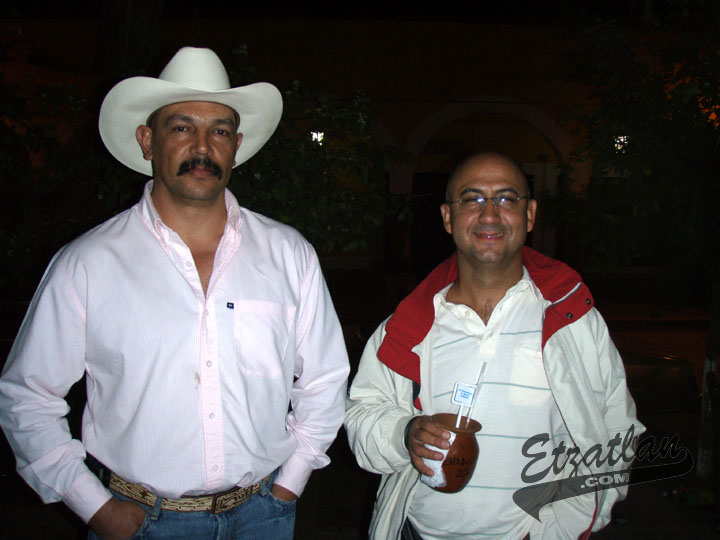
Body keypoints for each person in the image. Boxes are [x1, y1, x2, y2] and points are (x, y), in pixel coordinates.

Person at [0, 47, 349, 540]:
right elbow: (27, 396)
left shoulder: (289, 255)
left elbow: (325, 379)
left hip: (263, 515)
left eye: (219, 131)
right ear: (148, 140)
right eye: (182, 127)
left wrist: (290, 482)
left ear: (236, 145)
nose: (202, 147)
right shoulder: (88, 263)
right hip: (139, 522)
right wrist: (95, 507)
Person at [345, 152, 642, 539]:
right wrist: (404, 433)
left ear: (529, 215)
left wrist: (564, 527)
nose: (489, 215)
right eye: (472, 199)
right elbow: (361, 416)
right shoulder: (407, 328)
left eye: (506, 198)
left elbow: (617, 428)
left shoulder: (572, 322)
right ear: (448, 217)